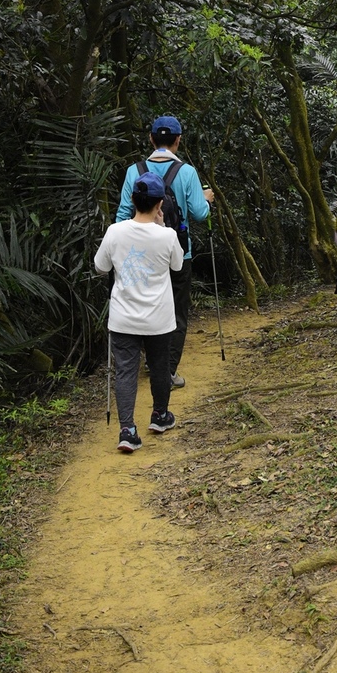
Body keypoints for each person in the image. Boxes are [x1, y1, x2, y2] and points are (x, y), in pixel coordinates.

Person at [116, 116, 214, 388]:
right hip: (178, 254)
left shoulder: (134, 171)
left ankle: (151, 362)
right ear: (178, 140)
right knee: (176, 312)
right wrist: (206, 200)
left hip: (140, 257)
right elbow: (198, 212)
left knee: (147, 306)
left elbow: (123, 214)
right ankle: (167, 371)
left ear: (150, 139)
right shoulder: (187, 172)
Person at [95, 172, 184, 452]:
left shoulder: (115, 231)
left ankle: (128, 431)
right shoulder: (167, 236)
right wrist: (161, 226)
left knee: (125, 371)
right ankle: (160, 416)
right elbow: (178, 266)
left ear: (133, 200)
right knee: (159, 366)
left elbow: (101, 267)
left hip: (124, 317)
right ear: (160, 204)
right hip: (158, 318)